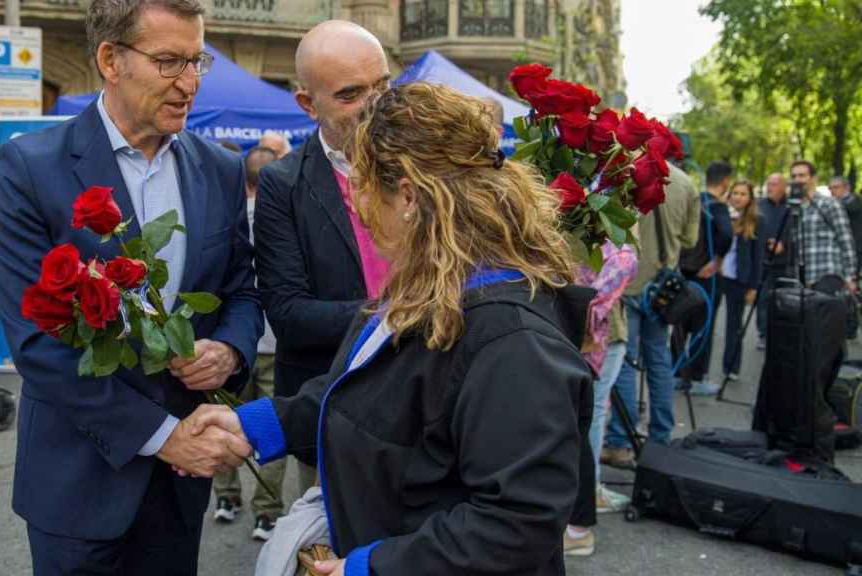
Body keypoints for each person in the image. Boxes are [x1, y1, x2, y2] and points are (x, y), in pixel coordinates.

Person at [191, 82, 592, 576]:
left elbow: (516, 521)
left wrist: (370, 568)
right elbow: (369, 397)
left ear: (406, 195)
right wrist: (257, 426)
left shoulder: (511, 337)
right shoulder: (431, 288)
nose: (355, 203)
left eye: (360, 184)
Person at [0, 0, 262, 573]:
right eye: (169, 62)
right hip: (77, 481)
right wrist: (164, 437)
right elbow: (36, 343)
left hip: (179, 490)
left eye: (196, 61)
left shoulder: (221, 167)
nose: (189, 84)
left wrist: (229, 349)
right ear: (111, 59)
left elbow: (242, 289)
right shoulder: (30, 169)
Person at [253, 20, 392, 498]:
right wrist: (401, 313)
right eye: (352, 94)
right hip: (334, 408)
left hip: (433, 407)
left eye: (384, 85)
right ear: (308, 104)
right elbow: (290, 314)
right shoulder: (283, 184)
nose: (376, 104)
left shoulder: (427, 163)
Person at [601, 164, 699, 469]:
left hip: (627, 283)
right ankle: (660, 439)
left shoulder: (626, 174)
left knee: (626, 365)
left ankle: (620, 442)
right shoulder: (685, 184)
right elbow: (690, 240)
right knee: (659, 361)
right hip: (662, 289)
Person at [211, 145, 284, 540]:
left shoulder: (225, 219)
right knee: (270, 426)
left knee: (225, 422)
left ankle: (226, 498)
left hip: (231, 344)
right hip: (275, 341)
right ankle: (267, 512)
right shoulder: (286, 219)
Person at [565, 241, 638, 556]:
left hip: (595, 338)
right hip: (587, 336)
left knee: (587, 418)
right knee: (587, 417)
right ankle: (584, 502)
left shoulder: (609, 233)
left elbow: (627, 257)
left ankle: (585, 505)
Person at [673, 160, 734, 396]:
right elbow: (727, 234)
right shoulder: (718, 207)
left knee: (679, 323)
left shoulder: (693, 200)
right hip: (706, 276)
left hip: (683, 271)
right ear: (725, 181)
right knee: (703, 326)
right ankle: (697, 380)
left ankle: (678, 374)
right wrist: (717, 261)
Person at [719, 180, 765, 381]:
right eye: (734, 193)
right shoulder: (722, 216)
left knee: (734, 325)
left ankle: (731, 367)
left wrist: (753, 287)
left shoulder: (756, 221)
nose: (737, 197)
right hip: (718, 276)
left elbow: (758, 257)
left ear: (750, 198)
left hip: (739, 279)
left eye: (743, 194)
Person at [790, 160, 857, 291]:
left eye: (802, 175)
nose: (797, 180)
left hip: (828, 274)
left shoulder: (830, 204)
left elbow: (846, 239)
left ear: (813, 179)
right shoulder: (793, 209)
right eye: (794, 176)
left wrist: (850, 277)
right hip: (803, 279)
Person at [756, 172, 790, 348]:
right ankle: (763, 334)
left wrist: (784, 244)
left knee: (783, 301)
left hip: (785, 263)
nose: (770, 187)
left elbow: (796, 231)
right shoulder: (759, 205)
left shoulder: (792, 207)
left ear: (784, 187)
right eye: (769, 183)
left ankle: (779, 335)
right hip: (763, 261)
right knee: (763, 299)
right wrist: (767, 241)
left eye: (775, 184)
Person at [830, 175, 862, 281]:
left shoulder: (855, 201)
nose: (832, 191)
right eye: (831, 188)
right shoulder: (834, 203)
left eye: (836, 187)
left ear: (847, 188)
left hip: (855, 248)